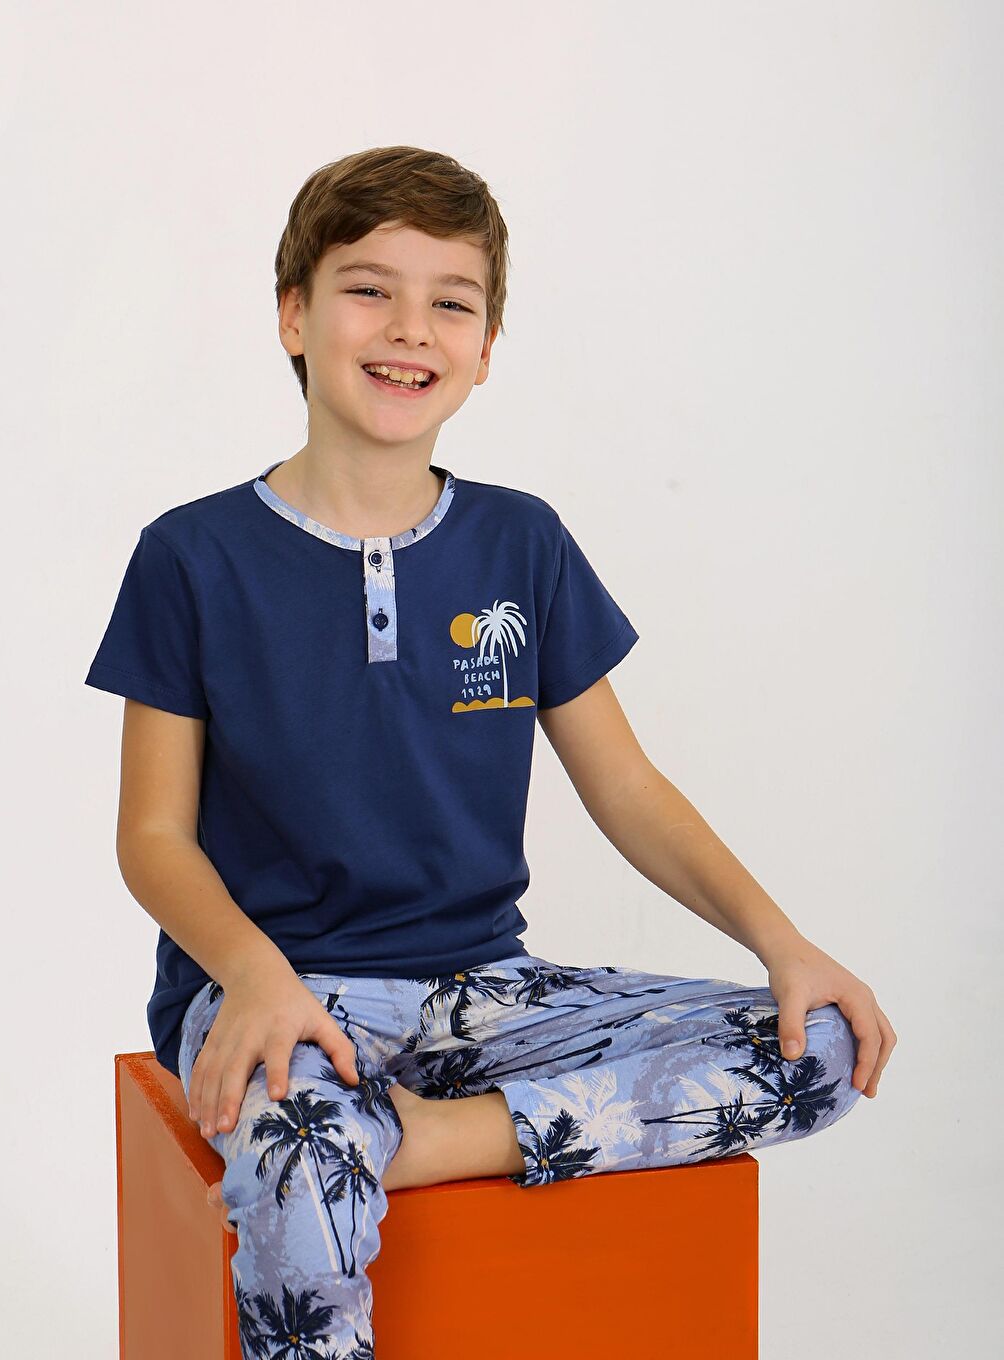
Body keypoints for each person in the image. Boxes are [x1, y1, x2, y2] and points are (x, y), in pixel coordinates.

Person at [85, 145, 895, 1358]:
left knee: (821, 1045)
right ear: (294, 315)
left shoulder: (524, 542)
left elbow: (627, 787)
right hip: (274, 991)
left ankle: (425, 1140)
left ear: (486, 347)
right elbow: (151, 836)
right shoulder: (191, 555)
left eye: (450, 302)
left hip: (484, 993)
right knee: (300, 1156)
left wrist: (783, 945)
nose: (410, 328)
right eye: (370, 289)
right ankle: (350, 1135)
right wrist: (252, 975)